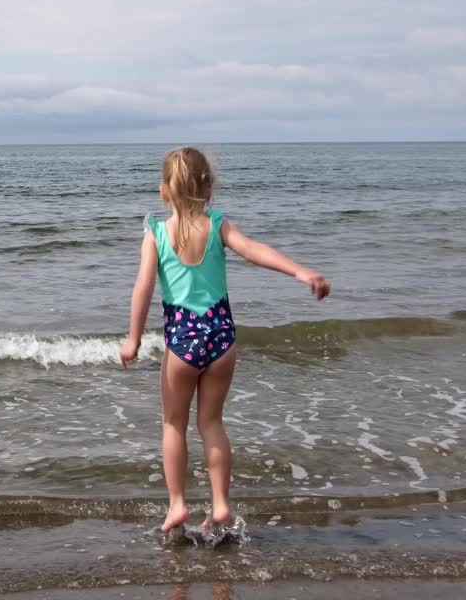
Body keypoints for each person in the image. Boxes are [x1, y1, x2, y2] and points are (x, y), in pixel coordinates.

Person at [119, 147, 331, 533]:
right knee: (212, 422)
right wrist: (301, 272)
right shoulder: (218, 225)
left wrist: (133, 339)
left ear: (164, 192)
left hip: (182, 341)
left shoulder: (156, 233)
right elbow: (255, 251)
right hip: (221, 338)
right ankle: (219, 505)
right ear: (209, 189)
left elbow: (143, 287)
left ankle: (178, 505)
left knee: (172, 425)